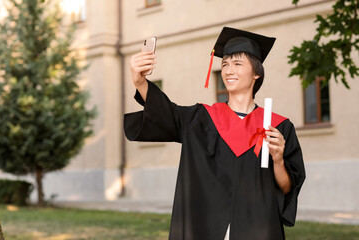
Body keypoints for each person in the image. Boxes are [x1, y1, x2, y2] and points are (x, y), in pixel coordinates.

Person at [124, 27, 305, 240]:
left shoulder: (278, 127)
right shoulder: (202, 119)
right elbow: (166, 112)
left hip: (258, 228)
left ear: (256, 73)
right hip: (205, 227)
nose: (228, 71)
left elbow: (286, 188)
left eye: (237, 64)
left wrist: (278, 160)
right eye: (225, 64)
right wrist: (140, 82)